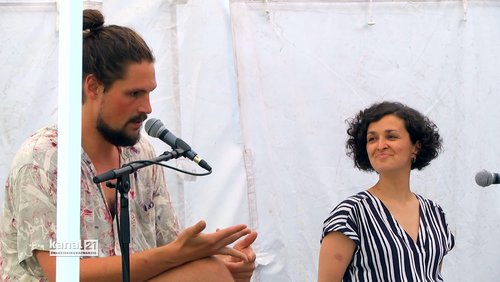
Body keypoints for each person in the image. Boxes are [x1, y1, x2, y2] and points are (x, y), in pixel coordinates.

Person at [0, 9, 257, 282]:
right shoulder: (43, 159)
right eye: (134, 93)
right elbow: (63, 273)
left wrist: (227, 265)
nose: (146, 108)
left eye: (149, 93)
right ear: (93, 87)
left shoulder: (141, 153)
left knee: (211, 271)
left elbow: (168, 249)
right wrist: (177, 255)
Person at [318, 101, 455, 282]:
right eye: (372, 139)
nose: (380, 145)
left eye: (391, 137)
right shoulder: (351, 214)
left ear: (416, 147)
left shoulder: (435, 213)